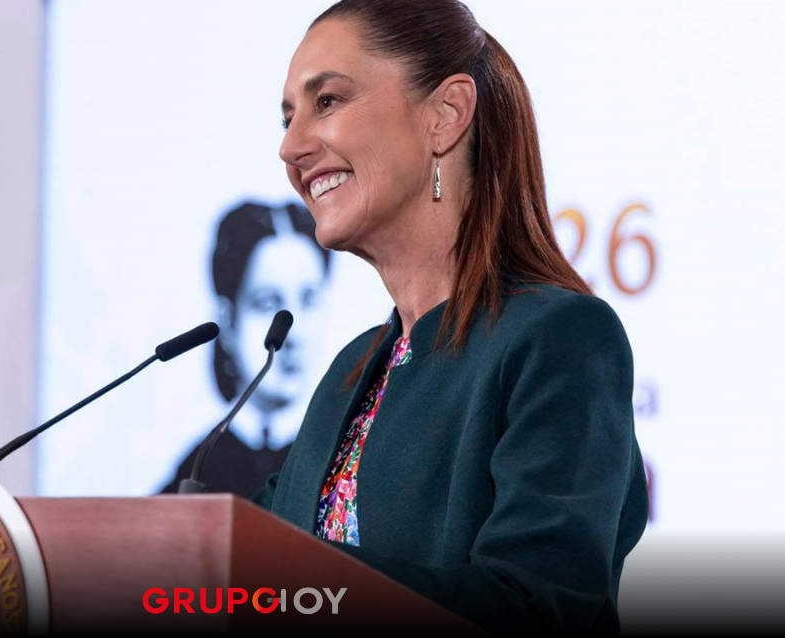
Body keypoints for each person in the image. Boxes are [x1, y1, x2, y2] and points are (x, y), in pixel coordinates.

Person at [253, 1, 649, 634]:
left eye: (326, 102)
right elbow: (235, 555)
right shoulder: (349, 374)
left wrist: (302, 584)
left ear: (445, 116)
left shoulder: (559, 341)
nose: (291, 147)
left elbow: (539, 608)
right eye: (287, 117)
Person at [160, 201, 332, 496]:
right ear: (229, 321)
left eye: (308, 300)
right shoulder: (197, 470)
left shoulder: (337, 455)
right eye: (267, 303)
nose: (296, 333)